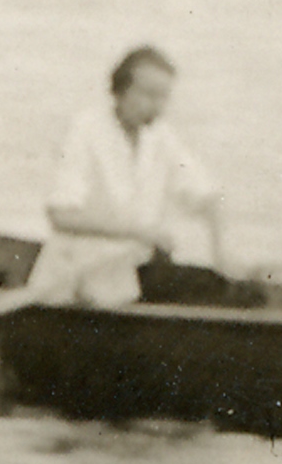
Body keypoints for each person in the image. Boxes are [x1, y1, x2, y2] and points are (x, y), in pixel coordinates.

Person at [34, 44, 238, 305]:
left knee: (215, 289)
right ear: (120, 91)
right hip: (75, 277)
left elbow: (208, 195)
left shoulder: (160, 137)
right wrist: (140, 232)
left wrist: (222, 252)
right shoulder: (85, 131)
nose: (157, 106)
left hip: (128, 273)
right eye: (149, 94)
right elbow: (61, 214)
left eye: (163, 97)